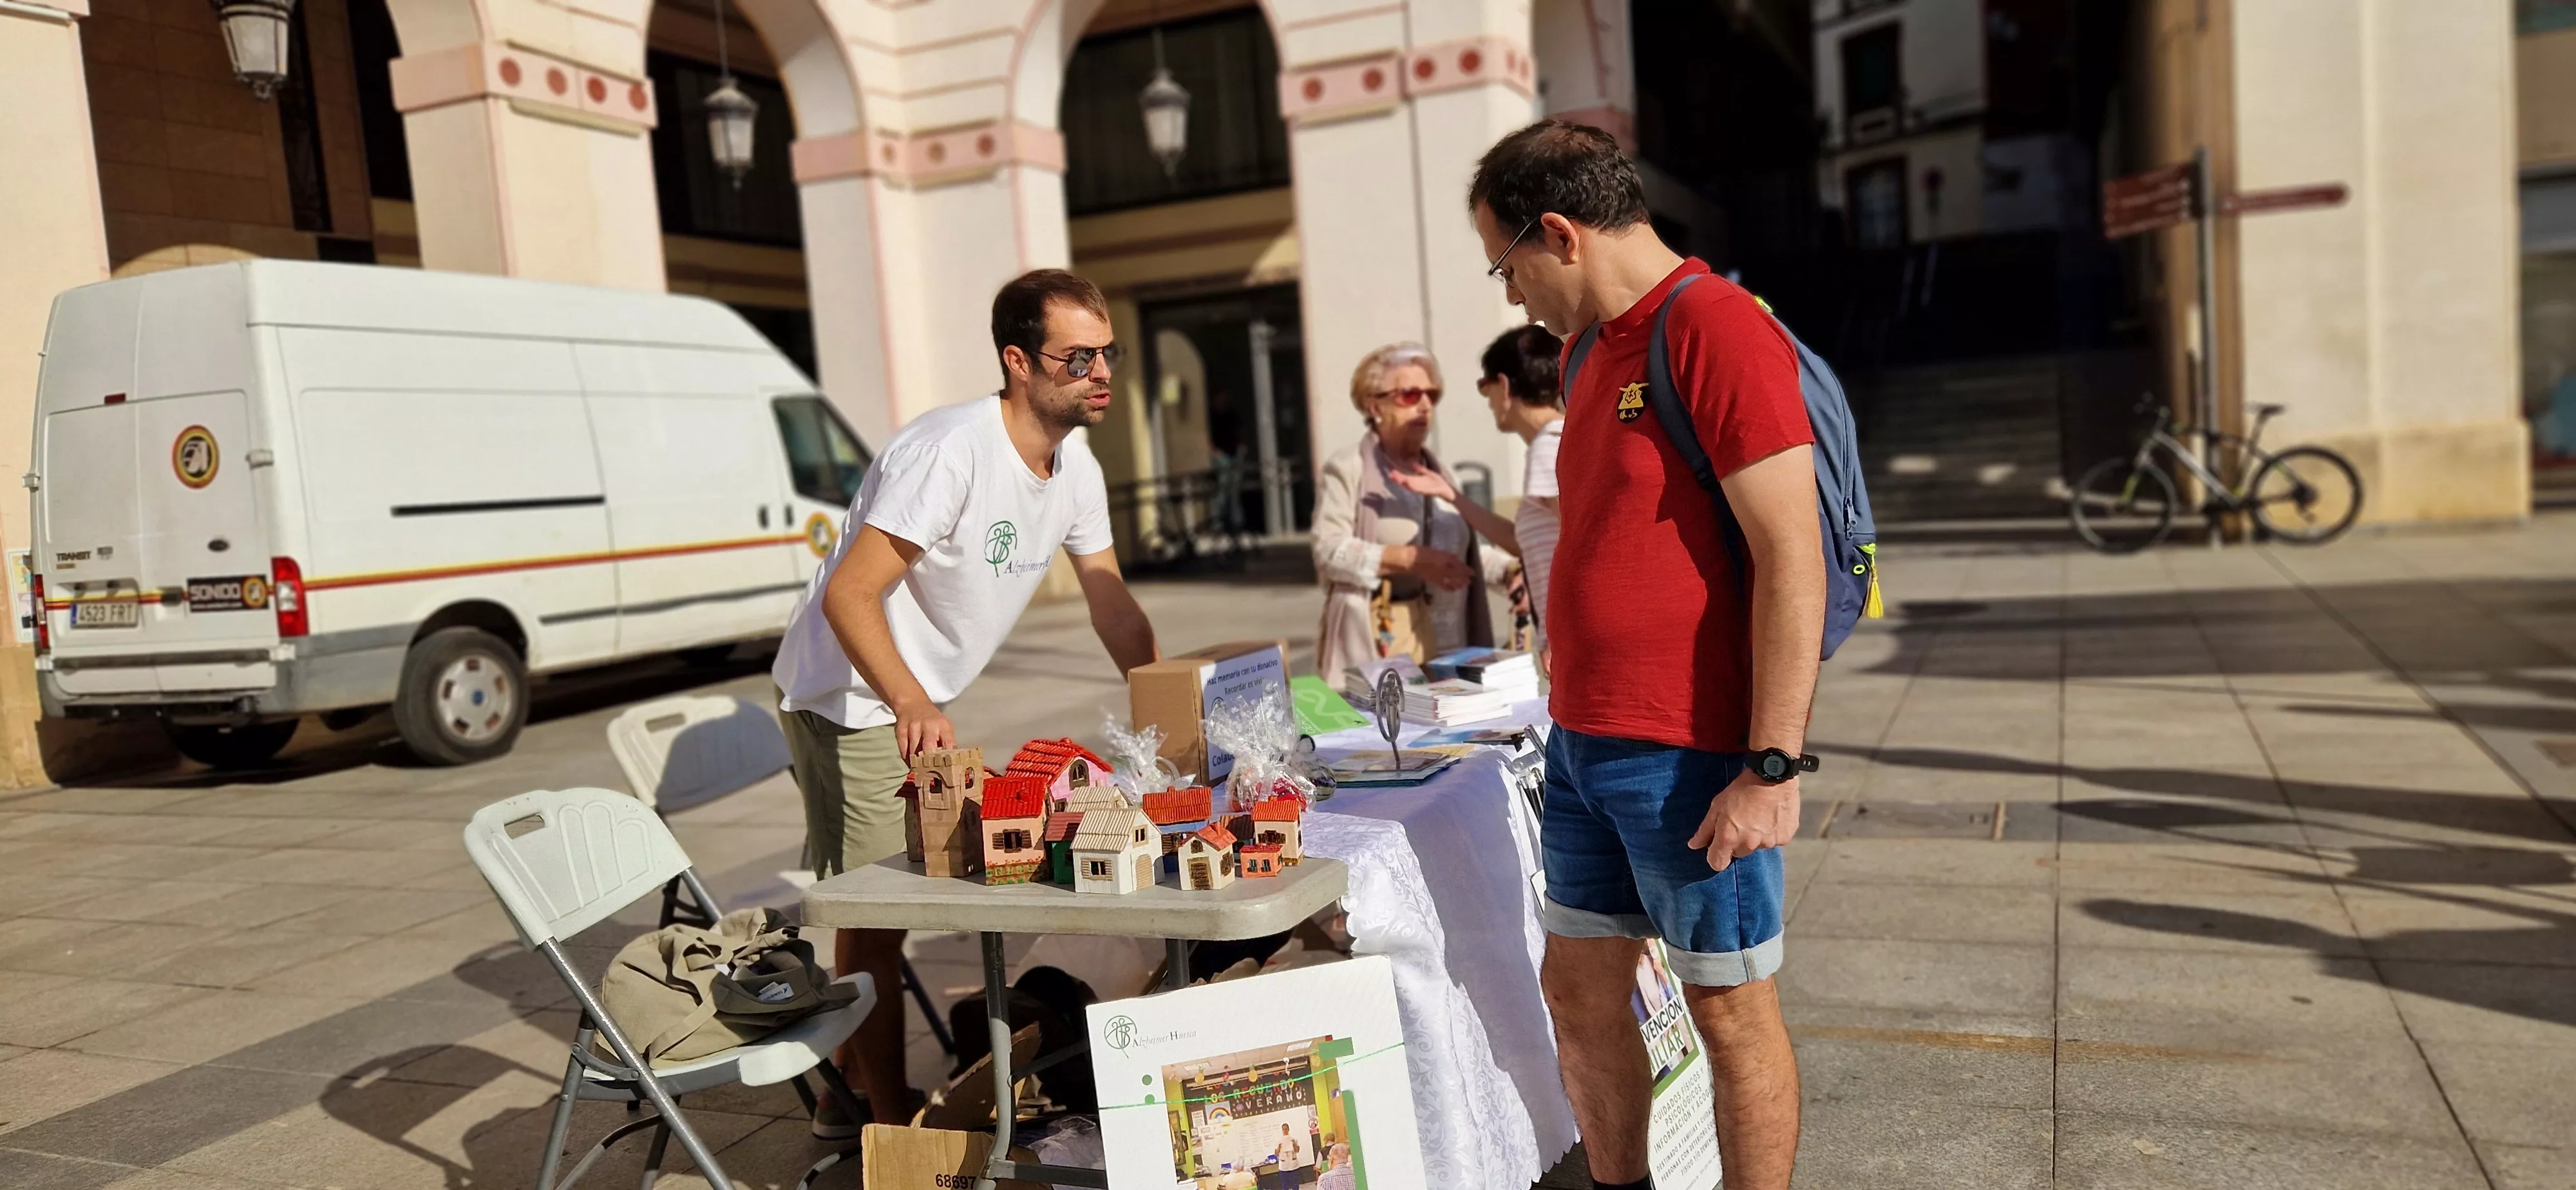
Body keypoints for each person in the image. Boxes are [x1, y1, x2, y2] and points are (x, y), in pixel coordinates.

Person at [1469, 121, 1823, 1190]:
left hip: (1690, 751)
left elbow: (1790, 557)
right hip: (1581, 743)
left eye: (1508, 263)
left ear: (1562, 235)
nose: (1511, 295)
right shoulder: (1588, 354)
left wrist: (1770, 765)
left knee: (1727, 1005)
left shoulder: (1713, 326)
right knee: (1577, 993)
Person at [770, 269, 1160, 1138]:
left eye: (1109, 353)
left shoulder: (1076, 464)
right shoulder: (949, 450)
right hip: (851, 698)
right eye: (1078, 358)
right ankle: (876, 1112)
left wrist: (1170, 710)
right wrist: (908, 698)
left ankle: (847, 1076)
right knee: (880, 914)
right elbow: (850, 594)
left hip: (911, 694)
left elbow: (1110, 599)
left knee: (904, 899)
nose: (1101, 373)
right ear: (1018, 361)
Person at [1309, 343, 1508, 681]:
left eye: (1432, 395)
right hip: (1379, 646)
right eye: (1410, 395)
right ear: (1375, 406)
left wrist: (1511, 570)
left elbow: (1460, 550)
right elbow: (1327, 551)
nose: (1425, 406)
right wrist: (1409, 558)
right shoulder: (1348, 468)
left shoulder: (1441, 472)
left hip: (1447, 647)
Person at [1385, 324, 1566, 658]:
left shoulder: (1548, 448)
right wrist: (1450, 494)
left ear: (1505, 386)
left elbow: (1583, 543)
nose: (1489, 403)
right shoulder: (1556, 441)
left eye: (1487, 389)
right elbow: (1521, 542)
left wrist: (1561, 637)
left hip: (1572, 642)